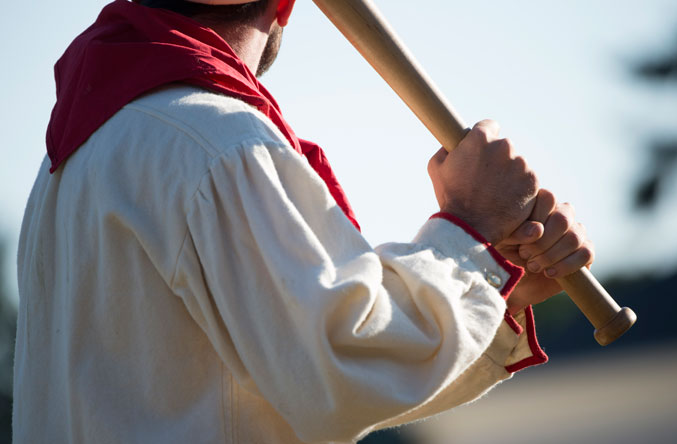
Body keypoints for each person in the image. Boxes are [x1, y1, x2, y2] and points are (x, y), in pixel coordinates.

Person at [13, 0, 594, 443]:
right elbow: (342, 374)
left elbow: (290, 382)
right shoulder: (218, 142)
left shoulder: (73, 160)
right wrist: (469, 230)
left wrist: (499, 281)